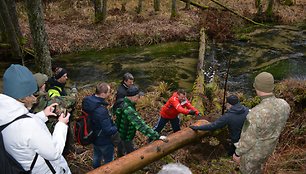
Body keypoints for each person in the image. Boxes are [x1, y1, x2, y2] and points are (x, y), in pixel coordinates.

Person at [0, 64, 71, 173]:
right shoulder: (29, 125)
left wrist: (43, 114)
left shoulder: (4, 113)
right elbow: (54, 153)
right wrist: (61, 124)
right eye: (32, 94)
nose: (34, 99)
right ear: (23, 97)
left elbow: (18, 127)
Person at [233, 72, 290, 174]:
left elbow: (247, 141)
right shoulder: (284, 105)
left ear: (257, 88)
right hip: (269, 149)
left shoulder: (255, 113)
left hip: (253, 155)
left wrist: (237, 154)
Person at [115, 85, 167, 157]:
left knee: (121, 149)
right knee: (130, 153)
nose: (139, 99)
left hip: (120, 133)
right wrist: (157, 136)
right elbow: (141, 125)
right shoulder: (129, 109)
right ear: (132, 96)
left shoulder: (122, 102)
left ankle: (120, 157)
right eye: (138, 97)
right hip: (126, 136)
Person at [82, 82, 120, 168]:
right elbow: (108, 130)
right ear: (103, 94)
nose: (110, 93)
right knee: (109, 160)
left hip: (93, 135)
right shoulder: (101, 111)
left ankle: (95, 169)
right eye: (109, 92)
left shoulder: (88, 101)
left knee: (96, 155)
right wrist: (117, 126)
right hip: (103, 139)